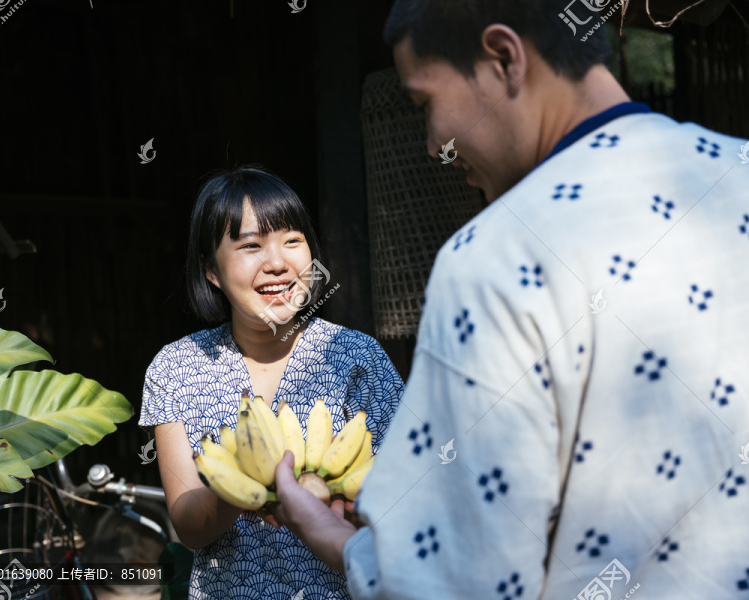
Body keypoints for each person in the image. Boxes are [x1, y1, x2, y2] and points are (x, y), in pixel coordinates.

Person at [272, 1, 749, 598]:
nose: (430, 145)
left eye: (424, 104)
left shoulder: (496, 257)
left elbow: (454, 582)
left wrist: (342, 545)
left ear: (504, 58)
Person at [139, 166, 405, 600]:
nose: (278, 263)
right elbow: (188, 525)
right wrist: (241, 486)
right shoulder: (175, 367)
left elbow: (412, 492)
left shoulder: (357, 357)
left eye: (292, 241)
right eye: (250, 245)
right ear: (211, 271)